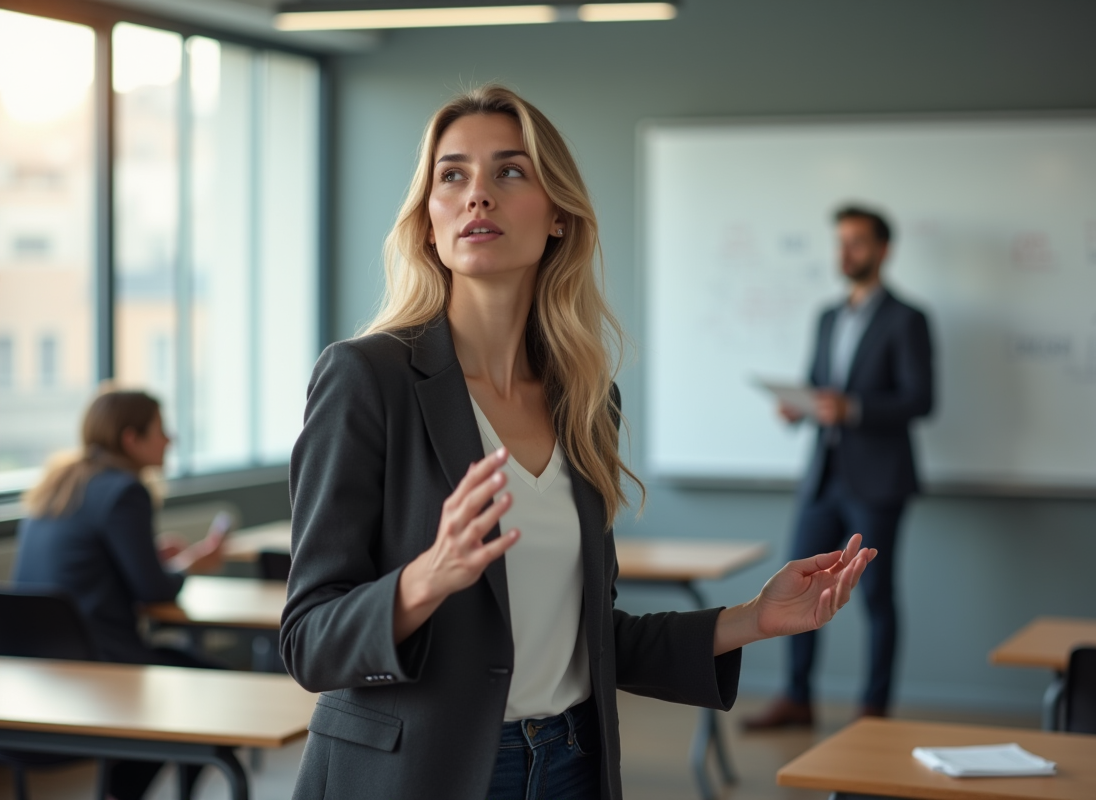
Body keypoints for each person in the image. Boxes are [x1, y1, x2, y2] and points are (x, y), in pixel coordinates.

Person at [280, 85, 877, 800]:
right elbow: (309, 641)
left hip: (569, 764)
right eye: (452, 175)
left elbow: (595, 639)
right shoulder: (365, 378)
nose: (477, 196)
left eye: (509, 171)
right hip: (418, 774)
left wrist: (752, 618)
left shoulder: (589, 400)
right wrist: (427, 577)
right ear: (428, 221)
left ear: (558, 214)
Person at [743, 205, 934, 731]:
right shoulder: (827, 317)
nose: (845, 253)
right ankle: (797, 698)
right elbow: (817, 387)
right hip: (823, 476)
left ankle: (874, 708)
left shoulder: (907, 319)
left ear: (882, 250)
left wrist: (855, 409)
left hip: (878, 480)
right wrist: (798, 408)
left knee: (876, 594)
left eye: (856, 242)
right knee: (801, 586)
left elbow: (922, 400)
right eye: (840, 242)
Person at [14, 388, 227, 800]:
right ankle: (120, 794)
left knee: (191, 677)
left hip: (34, 666)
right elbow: (153, 590)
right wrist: (192, 563)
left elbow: (86, 563)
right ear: (131, 438)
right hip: (97, 669)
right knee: (220, 692)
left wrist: (148, 556)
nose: (170, 440)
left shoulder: (59, 482)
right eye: (161, 431)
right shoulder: (125, 491)